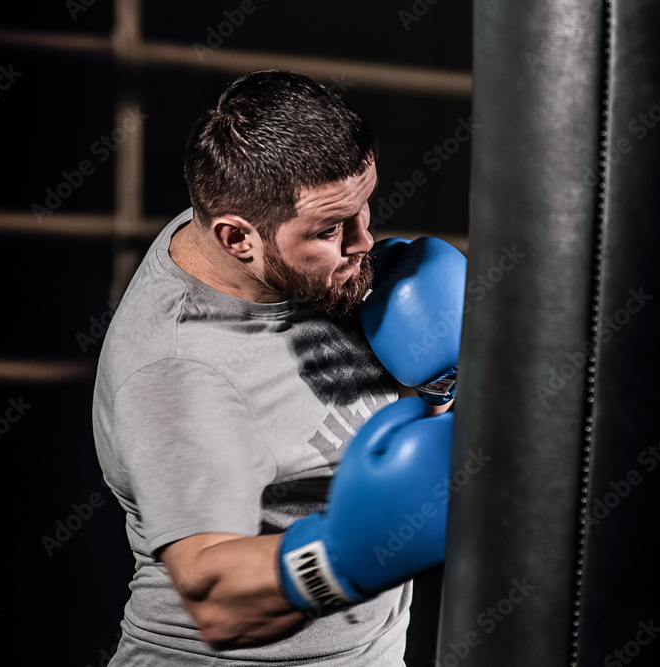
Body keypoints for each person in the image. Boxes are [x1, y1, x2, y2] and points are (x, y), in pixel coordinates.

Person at [93, 69, 458, 666]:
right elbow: (216, 601)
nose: (364, 242)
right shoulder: (178, 373)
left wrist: (443, 381)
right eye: (331, 228)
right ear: (237, 239)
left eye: (365, 207)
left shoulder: (302, 264)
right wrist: (349, 555)